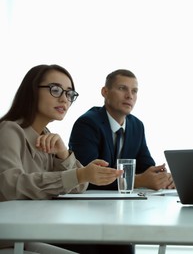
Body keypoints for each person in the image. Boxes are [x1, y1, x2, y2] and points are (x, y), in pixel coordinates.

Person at [0, 64, 122, 253]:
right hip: (12, 237)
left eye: (69, 94)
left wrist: (64, 154)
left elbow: (81, 185)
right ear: (32, 91)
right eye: (55, 90)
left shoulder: (47, 137)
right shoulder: (10, 130)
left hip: (34, 231)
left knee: (116, 243)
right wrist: (80, 174)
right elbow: (11, 185)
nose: (64, 99)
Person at [69, 69, 174, 191]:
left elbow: (146, 168)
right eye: (122, 88)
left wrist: (163, 178)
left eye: (134, 91)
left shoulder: (137, 126)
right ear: (105, 92)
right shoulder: (87, 124)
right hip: (91, 204)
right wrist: (137, 181)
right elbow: (87, 177)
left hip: (124, 204)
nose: (129, 95)